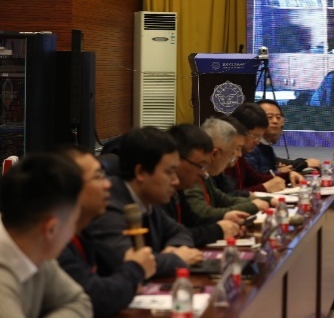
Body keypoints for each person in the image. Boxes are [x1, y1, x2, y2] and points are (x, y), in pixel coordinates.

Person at [89, 127, 203, 278]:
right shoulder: (108, 206)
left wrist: (174, 248)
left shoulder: (147, 199)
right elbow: (130, 264)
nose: (176, 181)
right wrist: (176, 258)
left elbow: (180, 231)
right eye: (169, 172)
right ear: (141, 172)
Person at [56, 145, 157, 317]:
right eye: (98, 177)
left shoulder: (84, 231)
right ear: (70, 188)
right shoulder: (56, 243)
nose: (108, 184)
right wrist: (136, 268)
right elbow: (97, 297)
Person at [0, 153, 92, 318]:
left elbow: (80, 302)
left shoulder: (37, 252)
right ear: (51, 229)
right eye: (74, 223)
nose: (73, 232)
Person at [165, 123, 252, 243]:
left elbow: (188, 224)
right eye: (200, 166)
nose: (203, 173)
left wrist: (225, 219)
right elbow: (167, 238)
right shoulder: (158, 196)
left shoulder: (176, 191)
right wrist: (218, 230)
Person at [184, 117, 277, 223]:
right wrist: (253, 206)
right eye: (233, 151)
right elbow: (203, 214)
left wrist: (267, 200)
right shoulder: (191, 175)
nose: (239, 155)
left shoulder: (204, 174)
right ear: (215, 154)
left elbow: (223, 199)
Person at [225, 102, 303, 192]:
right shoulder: (225, 156)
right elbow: (228, 195)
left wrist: (288, 175)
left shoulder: (240, 157)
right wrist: (265, 187)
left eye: (260, 137)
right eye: (255, 136)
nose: (258, 142)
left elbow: (256, 178)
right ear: (240, 131)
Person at [245, 99, 321, 174]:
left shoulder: (266, 146)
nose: (275, 121)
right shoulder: (250, 147)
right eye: (269, 117)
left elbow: (276, 162)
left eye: (278, 117)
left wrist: (301, 164)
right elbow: (255, 178)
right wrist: (279, 173)